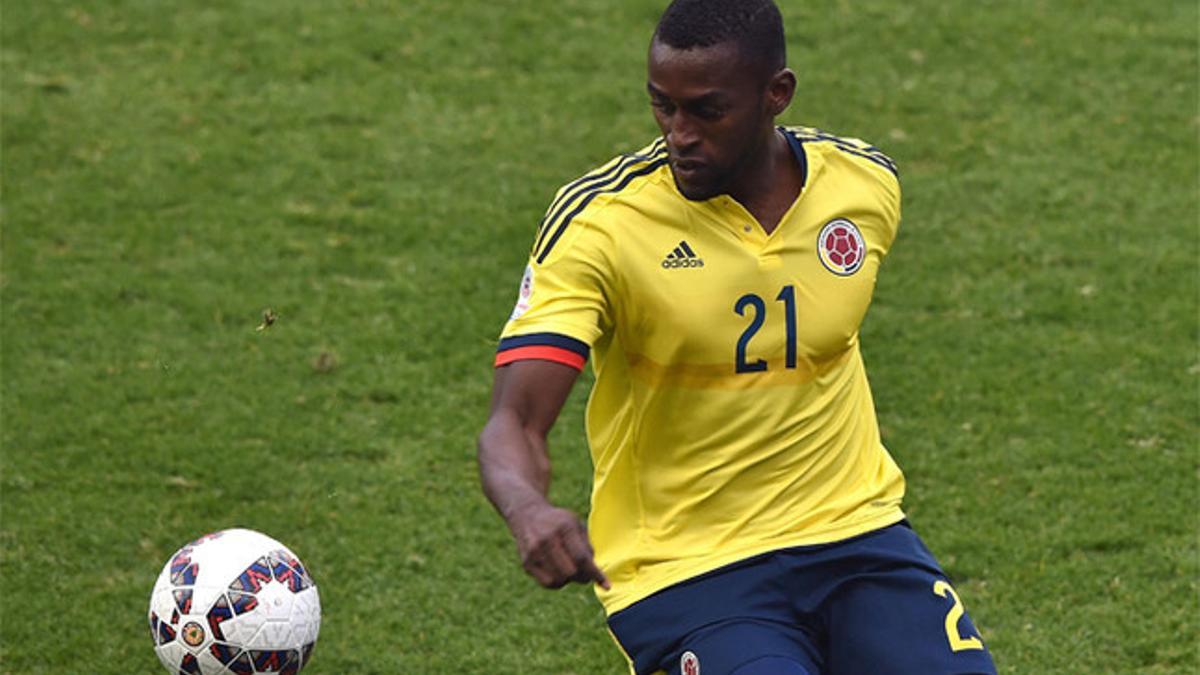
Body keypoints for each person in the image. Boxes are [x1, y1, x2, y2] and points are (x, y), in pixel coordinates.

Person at [477, 1, 997, 673]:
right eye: (662, 107)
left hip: (858, 536)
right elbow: (513, 418)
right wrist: (528, 509)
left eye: (706, 110)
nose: (678, 134)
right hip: (688, 567)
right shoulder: (603, 224)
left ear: (776, 94)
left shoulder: (864, 187)